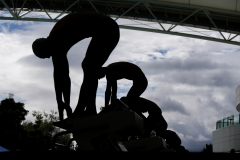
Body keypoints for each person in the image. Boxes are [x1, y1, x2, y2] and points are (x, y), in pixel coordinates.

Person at [32, 12, 120, 120]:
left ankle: (88, 110)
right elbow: (62, 77)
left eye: (45, 55)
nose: (48, 57)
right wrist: (63, 103)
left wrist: (63, 103)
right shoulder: (55, 42)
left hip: (108, 29)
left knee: (89, 66)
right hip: (107, 28)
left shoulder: (56, 41)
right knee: (89, 66)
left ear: (44, 47)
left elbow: (61, 77)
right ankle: (85, 110)